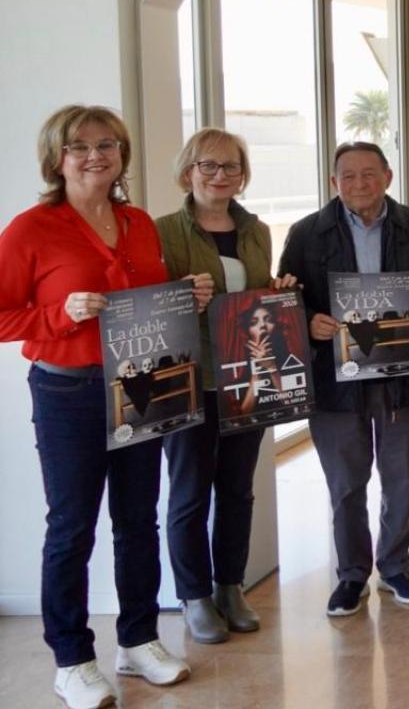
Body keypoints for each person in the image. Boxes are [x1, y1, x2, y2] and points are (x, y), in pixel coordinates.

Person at [0, 106, 200, 708]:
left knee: (139, 519)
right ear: (56, 158)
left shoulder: (138, 222)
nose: (96, 155)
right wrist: (62, 315)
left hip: (140, 385)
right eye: (81, 146)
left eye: (107, 144)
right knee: (71, 527)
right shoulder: (30, 229)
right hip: (68, 391)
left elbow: (148, 305)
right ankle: (72, 658)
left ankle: (137, 640)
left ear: (122, 155)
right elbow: (5, 315)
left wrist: (187, 295)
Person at [279, 141, 409, 618]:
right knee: (346, 482)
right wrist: (308, 321)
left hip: (403, 376)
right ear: (334, 183)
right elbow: (284, 295)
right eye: (348, 176)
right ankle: (352, 575)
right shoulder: (307, 233)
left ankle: (395, 567)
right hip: (335, 380)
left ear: (388, 176)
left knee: (401, 480)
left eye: (369, 174)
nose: (359, 184)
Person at [154, 127, 292, 644]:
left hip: (246, 375)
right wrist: (179, 292)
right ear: (188, 171)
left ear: (242, 174)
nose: (219, 176)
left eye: (230, 166)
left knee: (237, 488)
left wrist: (277, 291)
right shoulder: (163, 230)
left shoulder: (255, 230)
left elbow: (256, 295)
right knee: (189, 491)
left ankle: (229, 586)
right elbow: (146, 302)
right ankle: (193, 597)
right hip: (188, 378)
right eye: (207, 166)